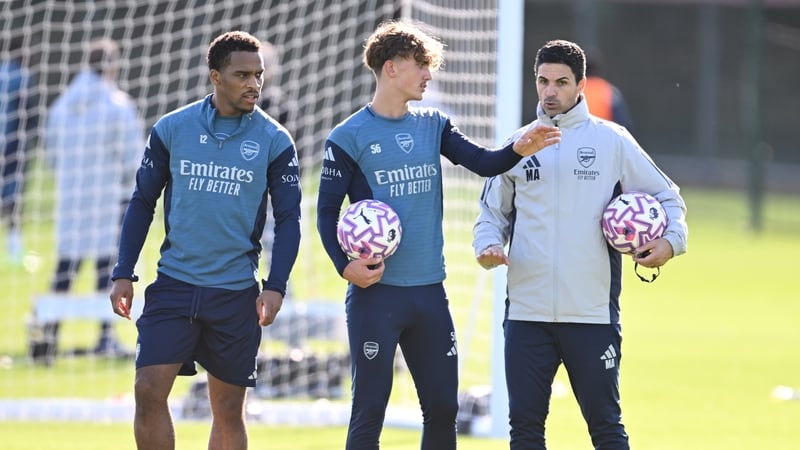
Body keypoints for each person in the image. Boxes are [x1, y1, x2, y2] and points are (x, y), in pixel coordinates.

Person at [316, 20, 561, 450]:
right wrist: (344, 266)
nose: (429, 75)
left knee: (444, 407)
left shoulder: (434, 125)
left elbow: (483, 163)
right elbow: (325, 214)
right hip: (377, 295)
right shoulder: (348, 136)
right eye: (420, 65)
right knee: (370, 408)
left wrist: (518, 149)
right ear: (390, 68)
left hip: (429, 291)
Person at [472, 39, 688, 449]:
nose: (550, 91)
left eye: (561, 82)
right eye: (543, 81)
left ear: (581, 85)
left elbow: (668, 197)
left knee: (606, 428)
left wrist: (671, 242)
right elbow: (491, 215)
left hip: (590, 316)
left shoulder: (612, 140)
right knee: (525, 431)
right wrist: (487, 247)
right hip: (526, 314)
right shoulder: (517, 146)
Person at [108, 31, 302, 449]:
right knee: (147, 389)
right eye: (242, 75)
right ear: (215, 76)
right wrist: (124, 271)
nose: (254, 84)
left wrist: (276, 285)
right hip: (174, 287)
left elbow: (289, 220)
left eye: (259, 75)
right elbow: (142, 201)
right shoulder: (172, 129)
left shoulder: (275, 140)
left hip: (235, 295)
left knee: (229, 410)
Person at [40, 38, 143, 360]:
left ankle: (49, 335)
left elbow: (51, 155)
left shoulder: (61, 105)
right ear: (112, 66)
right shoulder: (117, 105)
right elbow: (133, 159)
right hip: (107, 197)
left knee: (65, 268)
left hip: (71, 198)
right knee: (107, 269)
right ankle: (105, 335)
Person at [1, 35, 38, 262]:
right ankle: (15, 251)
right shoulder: (21, 76)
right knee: (13, 197)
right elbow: (28, 113)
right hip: (12, 145)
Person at [583, 51, 634, 131]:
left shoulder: (574, 91)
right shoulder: (609, 90)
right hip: (604, 137)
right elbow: (623, 122)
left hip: (579, 138)